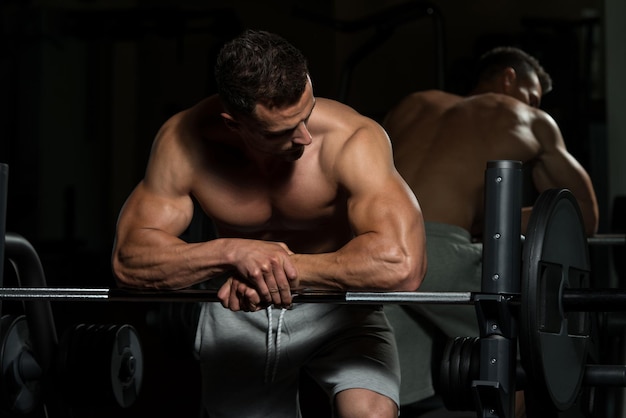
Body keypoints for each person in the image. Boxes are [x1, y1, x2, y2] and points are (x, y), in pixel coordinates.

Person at [111, 29, 427, 418]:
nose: (305, 137)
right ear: (234, 124)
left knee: (371, 414)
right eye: (281, 131)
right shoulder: (182, 142)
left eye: (306, 116)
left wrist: (276, 268)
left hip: (338, 308)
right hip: (238, 313)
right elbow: (130, 260)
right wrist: (233, 251)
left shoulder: (352, 139)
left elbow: (402, 264)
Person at [381, 46, 599, 416]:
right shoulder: (529, 119)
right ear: (509, 78)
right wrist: (498, 224)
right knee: (521, 351)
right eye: (533, 96)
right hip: (440, 253)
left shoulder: (413, 104)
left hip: (379, 250)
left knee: (387, 385)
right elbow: (584, 215)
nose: (535, 106)